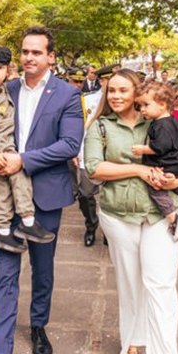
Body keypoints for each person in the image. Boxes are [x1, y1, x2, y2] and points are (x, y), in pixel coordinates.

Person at [0, 27, 83, 354]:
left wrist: (22, 161)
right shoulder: (5, 89)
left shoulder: (67, 95)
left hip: (44, 197)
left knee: (43, 269)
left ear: (50, 57)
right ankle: (2, 350)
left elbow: (69, 144)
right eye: (25, 52)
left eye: (36, 52)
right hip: (5, 199)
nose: (29, 57)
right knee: (5, 272)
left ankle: (38, 326)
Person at [84, 69, 178, 354]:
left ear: (137, 92)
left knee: (160, 284)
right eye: (111, 91)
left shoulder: (157, 120)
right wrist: (139, 169)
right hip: (119, 214)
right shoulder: (101, 127)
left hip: (161, 213)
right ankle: (131, 341)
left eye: (123, 90)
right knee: (130, 281)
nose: (116, 96)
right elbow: (93, 167)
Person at [0, 46, 56, 255]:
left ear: (8, 70)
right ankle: (27, 220)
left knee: (1, 189)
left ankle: (3, 231)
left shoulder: (0, 88)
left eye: (1, 67)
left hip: (3, 145)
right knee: (19, 175)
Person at [131, 81, 178, 242]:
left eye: (145, 105)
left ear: (162, 105)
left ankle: (172, 217)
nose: (142, 109)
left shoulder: (159, 125)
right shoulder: (174, 121)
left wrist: (143, 150)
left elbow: (160, 147)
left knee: (156, 188)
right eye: (139, 105)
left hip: (168, 163)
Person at [76, 65, 115, 247]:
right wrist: (76, 151)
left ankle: (110, 231)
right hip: (89, 152)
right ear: (101, 81)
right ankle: (91, 225)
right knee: (85, 194)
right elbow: (79, 128)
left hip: (116, 155)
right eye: (109, 79)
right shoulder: (87, 100)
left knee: (113, 195)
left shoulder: (126, 100)